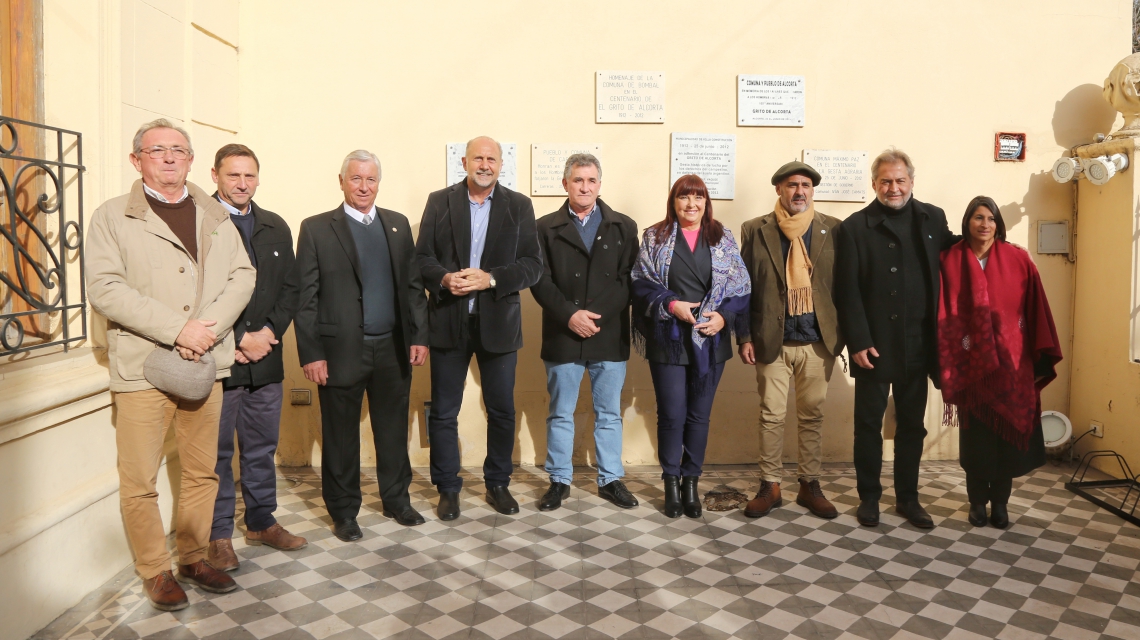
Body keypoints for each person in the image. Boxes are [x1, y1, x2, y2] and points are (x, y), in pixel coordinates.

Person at [86, 119, 255, 610]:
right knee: (140, 480)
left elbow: (243, 275)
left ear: (191, 160)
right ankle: (155, 570)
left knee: (203, 472)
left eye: (178, 150)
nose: (168, 157)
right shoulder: (112, 216)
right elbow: (105, 288)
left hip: (205, 363)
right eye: (156, 150)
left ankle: (194, 557)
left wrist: (207, 330)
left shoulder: (213, 214)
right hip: (142, 366)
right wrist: (178, 329)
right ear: (136, 159)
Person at [294, 150, 429, 542]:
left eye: (371, 179)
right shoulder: (316, 229)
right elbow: (306, 299)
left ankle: (397, 500)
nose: (364, 187)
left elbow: (413, 288)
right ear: (341, 181)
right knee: (340, 437)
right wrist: (312, 353)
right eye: (356, 178)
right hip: (339, 352)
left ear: (378, 183)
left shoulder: (397, 225)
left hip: (393, 348)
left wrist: (419, 336)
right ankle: (344, 512)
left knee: (392, 431)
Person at [415, 136, 542, 520]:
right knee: (443, 412)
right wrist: (443, 279)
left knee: (501, 410)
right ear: (465, 162)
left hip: (499, 323)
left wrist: (491, 279)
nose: (484, 165)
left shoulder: (519, 205)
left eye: (491, 159)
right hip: (448, 320)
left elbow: (533, 265)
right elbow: (421, 258)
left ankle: (498, 483)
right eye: (478, 158)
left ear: (501, 165)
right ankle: (448, 488)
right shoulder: (440, 201)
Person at [835, 148, 958, 529]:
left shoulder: (933, 217)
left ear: (911, 181)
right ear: (874, 184)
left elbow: (957, 254)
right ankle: (869, 497)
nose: (894, 188)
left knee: (912, 426)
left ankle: (908, 498)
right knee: (868, 425)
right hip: (873, 345)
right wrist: (857, 341)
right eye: (886, 181)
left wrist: (999, 245)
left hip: (920, 343)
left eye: (900, 180)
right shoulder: (854, 227)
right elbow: (846, 291)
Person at [206, 144, 306, 572]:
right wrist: (237, 337)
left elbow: (291, 289)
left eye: (249, 175)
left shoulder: (275, 225)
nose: (242, 183)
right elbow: (195, 294)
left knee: (262, 447)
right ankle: (218, 535)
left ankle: (261, 522)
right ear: (215, 176)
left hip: (265, 358)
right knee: (215, 454)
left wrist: (267, 334)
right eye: (233, 175)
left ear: (258, 178)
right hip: (217, 358)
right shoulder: (201, 223)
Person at [631, 174, 751, 518]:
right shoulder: (655, 237)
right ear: (674, 202)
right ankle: (671, 482)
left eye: (698, 197)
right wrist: (671, 305)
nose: (691, 204)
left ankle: (691, 484)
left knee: (699, 416)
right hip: (669, 338)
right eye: (684, 197)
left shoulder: (722, 237)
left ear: (706, 202)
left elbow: (741, 286)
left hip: (711, 338)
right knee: (672, 415)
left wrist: (724, 317)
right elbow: (639, 282)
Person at [938, 196, 1061, 529]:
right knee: (977, 441)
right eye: (978, 217)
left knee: (1006, 438)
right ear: (967, 222)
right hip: (970, 367)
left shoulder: (1018, 259)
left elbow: (1035, 308)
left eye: (991, 218)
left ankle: (1001, 505)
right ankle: (977, 502)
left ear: (999, 224)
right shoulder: (949, 260)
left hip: (1011, 365)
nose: (985, 224)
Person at [530, 153, 640, 511]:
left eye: (591, 180)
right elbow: (539, 279)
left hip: (608, 333)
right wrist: (570, 315)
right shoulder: (544, 227)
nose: (585, 187)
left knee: (608, 412)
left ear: (599, 184)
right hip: (563, 333)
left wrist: (595, 317)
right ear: (565, 184)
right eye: (578, 180)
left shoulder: (624, 226)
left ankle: (610, 479)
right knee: (561, 412)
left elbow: (629, 279)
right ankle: (559, 480)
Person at [738, 161, 844, 520]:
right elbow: (744, 287)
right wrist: (744, 336)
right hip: (772, 339)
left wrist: (845, 334)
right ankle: (770, 485)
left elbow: (844, 286)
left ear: (812, 190)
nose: (799, 191)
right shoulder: (755, 229)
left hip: (818, 340)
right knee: (771, 416)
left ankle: (809, 484)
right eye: (792, 185)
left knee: (812, 416)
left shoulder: (833, 228)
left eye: (805, 185)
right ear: (779, 190)